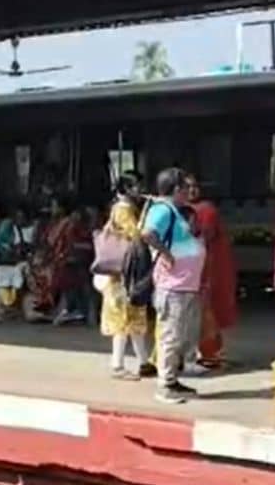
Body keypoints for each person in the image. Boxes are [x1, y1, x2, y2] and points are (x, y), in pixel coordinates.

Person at [142, 167, 205, 404]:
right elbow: (148, 234)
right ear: (176, 189)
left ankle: (173, 380)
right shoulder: (163, 210)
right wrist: (167, 254)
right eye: (186, 186)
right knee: (171, 335)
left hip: (185, 285)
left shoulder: (176, 211)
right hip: (173, 286)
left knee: (181, 335)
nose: (190, 191)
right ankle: (165, 385)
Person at [98, 172, 153, 380]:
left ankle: (144, 362)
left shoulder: (122, 207)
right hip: (123, 273)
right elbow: (136, 234)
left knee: (133, 318)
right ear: (127, 188)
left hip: (124, 272)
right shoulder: (124, 209)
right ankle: (118, 365)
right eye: (136, 186)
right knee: (123, 319)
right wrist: (147, 215)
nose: (140, 190)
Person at [185, 175, 237, 370]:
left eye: (194, 186)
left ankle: (210, 353)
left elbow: (203, 237)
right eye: (187, 187)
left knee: (207, 311)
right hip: (193, 267)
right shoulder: (180, 210)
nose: (192, 190)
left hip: (208, 267)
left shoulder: (206, 209)